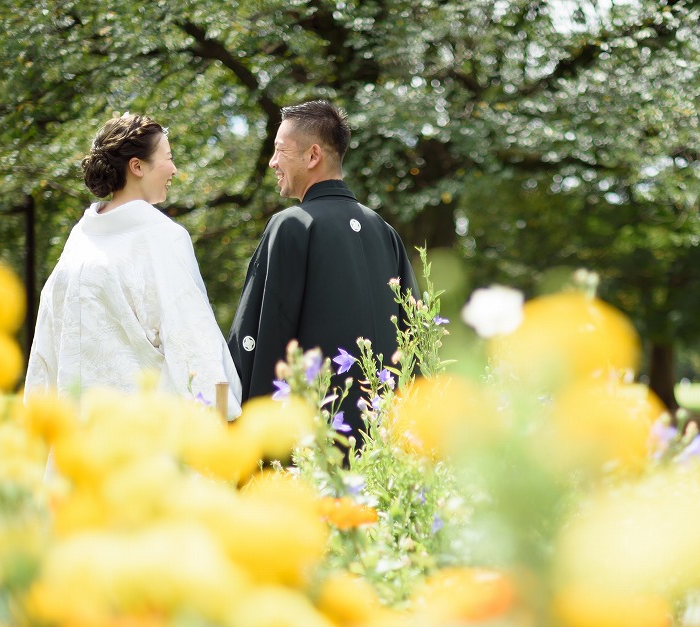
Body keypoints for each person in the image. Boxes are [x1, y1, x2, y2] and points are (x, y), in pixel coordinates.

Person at [25, 113, 241, 418]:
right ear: (137, 166)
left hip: (75, 430)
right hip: (140, 433)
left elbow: (45, 342)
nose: (174, 169)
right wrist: (222, 414)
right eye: (168, 157)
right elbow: (191, 336)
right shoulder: (162, 237)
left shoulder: (80, 241)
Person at [226, 100, 418, 440]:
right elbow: (413, 335)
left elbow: (260, 334)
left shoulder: (292, 226)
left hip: (315, 446)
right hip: (385, 444)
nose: (272, 163)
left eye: (280, 151)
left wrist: (247, 432)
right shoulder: (384, 230)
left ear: (313, 156)